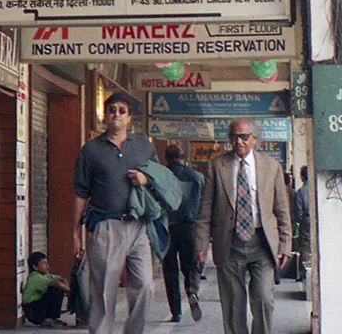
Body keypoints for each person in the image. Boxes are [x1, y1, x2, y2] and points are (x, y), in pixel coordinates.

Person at [195, 118, 291, 334]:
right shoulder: (216, 166)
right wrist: (201, 244)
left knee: (264, 299)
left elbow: (282, 209)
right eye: (234, 137)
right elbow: (205, 209)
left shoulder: (271, 166)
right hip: (229, 244)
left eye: (244, 136)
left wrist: (285, 245)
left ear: (254, 139)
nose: (239, 141)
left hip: (262, 244)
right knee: (232, 305)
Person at [72, 91, 156, 334]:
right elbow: (80, 192)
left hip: (138, 226)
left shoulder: (143, 147)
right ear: (105, 116)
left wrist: (146, 178)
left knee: (145, 286)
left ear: (130, 118)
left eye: (122, 111)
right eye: (112, 110)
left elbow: (161, 180)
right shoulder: (91, 150)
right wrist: (75, 232)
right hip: (106, 226)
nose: (116, 114)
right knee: (103, 293)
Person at [162, 144, 204, 323]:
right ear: (183, 156)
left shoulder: (161, 176)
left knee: (170, 270)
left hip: (167, 228)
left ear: (166, 158)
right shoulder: (195, 176)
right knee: (190, 266)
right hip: (189, 227)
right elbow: (203, 202)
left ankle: (176, 312)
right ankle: (192, 291)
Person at [22, 251, 70, 328]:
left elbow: (62, 279)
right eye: (44, 264)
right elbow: (58, 284)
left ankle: (52, 318)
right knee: (56, 288)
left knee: (58, 285)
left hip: (37, 308)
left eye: (47, 263)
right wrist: (71, 292)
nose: (47, 266)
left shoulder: (45, 275)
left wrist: (66, 285)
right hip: (32, 311)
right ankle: (47, 319)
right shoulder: (35, 277)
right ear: (35, 267)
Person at [293, 165, 311, 281]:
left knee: (304, 246)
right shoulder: (317, 188)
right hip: (318, 219)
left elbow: (298, 212)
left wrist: (298, 222)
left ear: (302, 177)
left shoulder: (301, 192)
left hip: (306, 220)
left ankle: (305, 273)